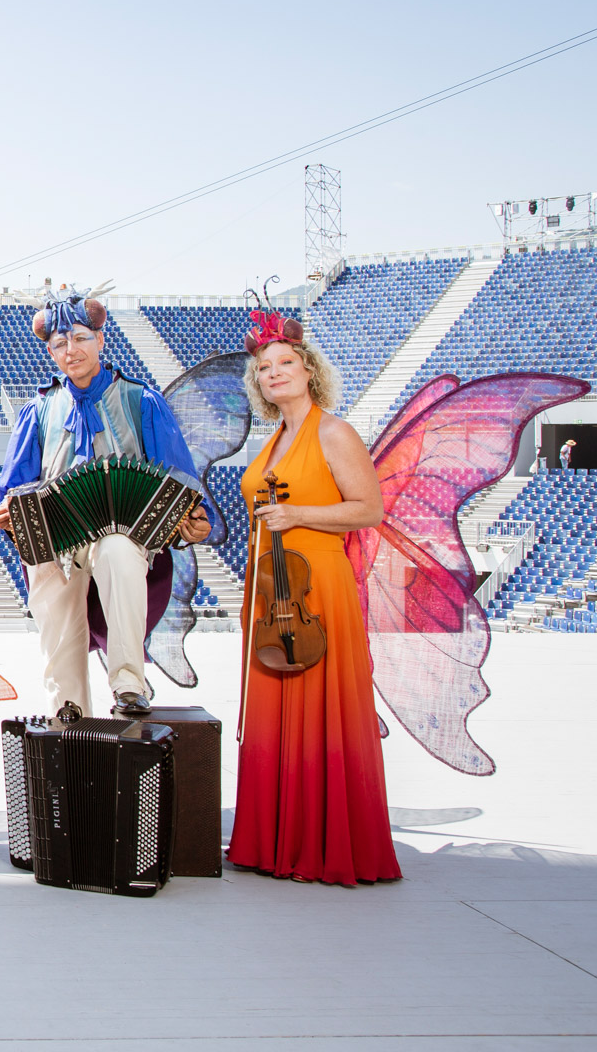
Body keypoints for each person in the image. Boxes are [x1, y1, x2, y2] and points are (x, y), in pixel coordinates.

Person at [229, 308, 400, 885]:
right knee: (278, 710)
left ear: (308, 370)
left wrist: (298, 513)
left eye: (284, 363)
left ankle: (322, 844)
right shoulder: (274, 437)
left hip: (316, 586)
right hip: (274, 586)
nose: (274, 373)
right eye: (263, 368)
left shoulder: (334, 431)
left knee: (320, 711)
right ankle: (273, 840)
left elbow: (369, 510)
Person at [0, 290, 213, 718]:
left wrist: (193, 518)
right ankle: (67, 708)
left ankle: (129, 683)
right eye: (58, 344)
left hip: (125, 535)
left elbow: (180, 485)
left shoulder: (141, 401)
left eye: (79, 338)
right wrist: (9, 513)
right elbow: (14, 491)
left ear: (100, 340)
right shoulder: (38, 411)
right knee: (47, 573)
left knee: (115, 547)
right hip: (58, 536)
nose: (70, 351)